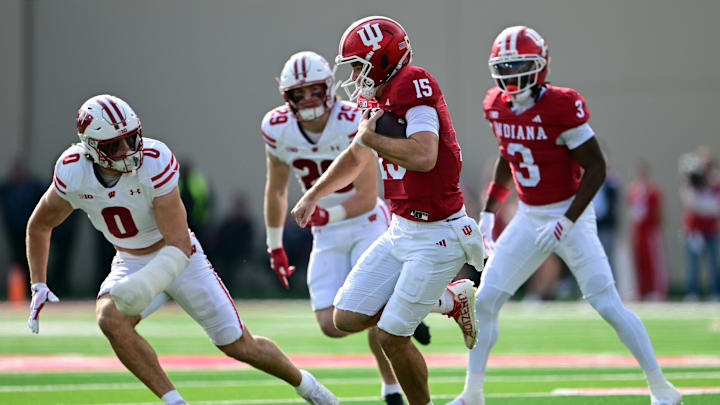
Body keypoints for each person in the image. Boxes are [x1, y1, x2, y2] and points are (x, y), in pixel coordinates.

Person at [25, 94, 338, 405]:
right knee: (110, 319)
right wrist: (38, 282)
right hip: (130, 259)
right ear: (91, 148)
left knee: (241, 346)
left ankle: (308, 386)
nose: (127, 151)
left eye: (132, 139)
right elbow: (39, 224)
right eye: (113, 146)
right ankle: (174, 401)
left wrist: (143, 285)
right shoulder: (72, 171)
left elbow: (178, 243)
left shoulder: (154, 160)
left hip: (179, 256)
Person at [448, 26, 681, 405]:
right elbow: (510, 156)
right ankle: (472, 393)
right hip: (528, 214)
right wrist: (490, 210)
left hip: (570, 211)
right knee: (486, 299)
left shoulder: (561, 105)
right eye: (504, 67)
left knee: (607, 304)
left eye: (519, 66)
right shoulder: (495, 103)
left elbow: (597, 169)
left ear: (539, 67)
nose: (511, 76)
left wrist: (568, 220)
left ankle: (661, 388)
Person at [291, 17, 484, 405]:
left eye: (359, 65)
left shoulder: (413, 83)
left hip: (438, 232)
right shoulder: (374, 98)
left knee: (391, 337)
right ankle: (449, 300)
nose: (353, 75)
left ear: (382, 59)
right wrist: (313, 193)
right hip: (400, 228)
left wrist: (371, 137)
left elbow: (426, 155)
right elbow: (357, 155)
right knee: (343, 318)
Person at [262, 50, 433, 404]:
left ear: (329, 88)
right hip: (326, 232)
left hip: (367, 222)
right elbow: (276, 188)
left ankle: (391, 389)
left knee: (367, 304)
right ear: (287, 97)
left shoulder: (353, 117)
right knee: (331, 324)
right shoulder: (276, 128)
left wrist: (324, 214)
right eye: (299, 93)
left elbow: (368, 196)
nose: (307, 99)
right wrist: (274, 244)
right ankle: (401, 308)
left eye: (314, 90)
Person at [679, 152, 720, 301]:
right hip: (694, 230)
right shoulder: (692, 184)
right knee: (692, 264)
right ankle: (692, 293)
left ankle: (715, 292)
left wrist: (704, 205)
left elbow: (715, 207)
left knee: (714, 263)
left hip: (710, 230)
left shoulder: (715, 185)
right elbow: (690, 203)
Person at [627, 161, 667, 300]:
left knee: (653, 261)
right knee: (639, 261)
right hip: (638, 231)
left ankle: (657, 290)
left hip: (650, 230)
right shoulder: (633, 189)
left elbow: (658, 211)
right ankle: (642, 291)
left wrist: (657, 228)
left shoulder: (653, 190)